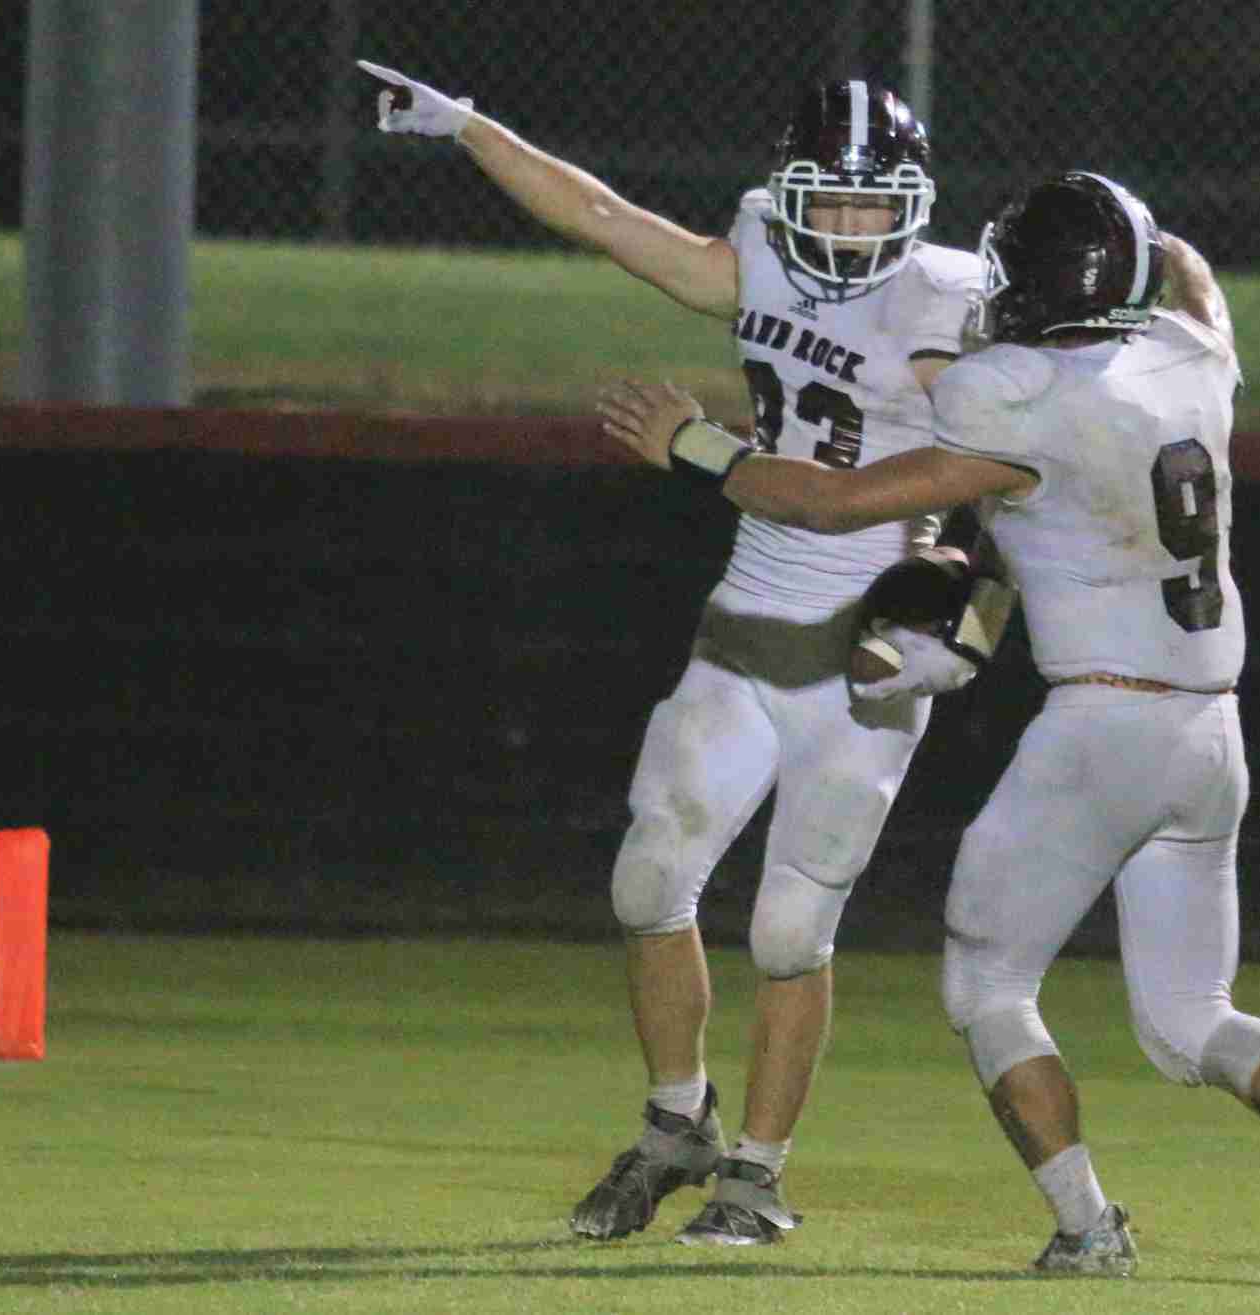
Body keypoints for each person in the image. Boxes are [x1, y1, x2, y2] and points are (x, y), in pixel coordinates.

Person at [599, 171, 1260, 1286]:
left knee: (986, 989)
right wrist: (1142, 236)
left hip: (1102, 726)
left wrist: (698, 447)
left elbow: (833, 503)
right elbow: (1192, 279)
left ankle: (1088, 1226)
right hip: (1212, 734)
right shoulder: (1193, 352)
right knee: (1190, 1016)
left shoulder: (1012, 392)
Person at [359, 61, 985, 1246]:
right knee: (647, 882)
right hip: (746, 617)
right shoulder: (756, 252)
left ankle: (759, 1172)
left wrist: (963, 608)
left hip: (866, 656)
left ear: (913, 205)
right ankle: (677, 1122)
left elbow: (1002, 478)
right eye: (831, 199)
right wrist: (469, 126)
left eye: (873, 203)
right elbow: (603, 217)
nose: (851, 226)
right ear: (787, 193)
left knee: (792, 931)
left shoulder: (946, 304)